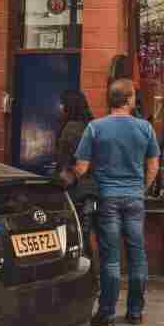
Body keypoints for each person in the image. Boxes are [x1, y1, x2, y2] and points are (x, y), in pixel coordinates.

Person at [61, 79, 160, 326]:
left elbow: (81, 168)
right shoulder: (145, 128)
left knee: (111, 258)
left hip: (106, 198)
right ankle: (135, 312)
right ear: (129, 100)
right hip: (134, 197)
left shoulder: (95, 128)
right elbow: (153, 165)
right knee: (138, 256)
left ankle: (106, 314)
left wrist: (71, 173)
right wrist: (142, 188)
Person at [55, 90, 99, 291]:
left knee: (77, 238)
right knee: (90, 238)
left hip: (77, 191)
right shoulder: (94, 126)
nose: (60, 108)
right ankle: (94, 281)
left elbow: (64, 163)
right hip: (96, 191)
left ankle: (82, 283)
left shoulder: (70, 129)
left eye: (63, 104)